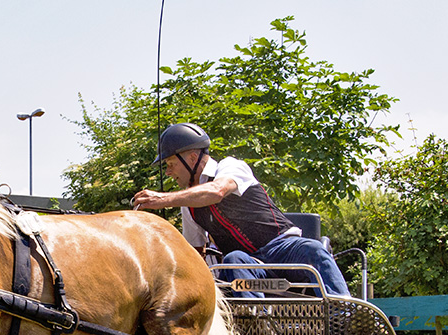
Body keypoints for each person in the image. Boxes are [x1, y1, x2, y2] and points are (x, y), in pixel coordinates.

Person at [131, 123, 350, 298]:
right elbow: (196, 253)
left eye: (170, 163)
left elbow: (217, 191)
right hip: (249, 265)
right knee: (234, 258)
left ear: (191, 157)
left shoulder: (230, 166)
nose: (168, 172)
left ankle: (345, 318)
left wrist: (162, 199)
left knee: (312, 248)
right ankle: (260, 331)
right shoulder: (188, 204)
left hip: (282, 249)